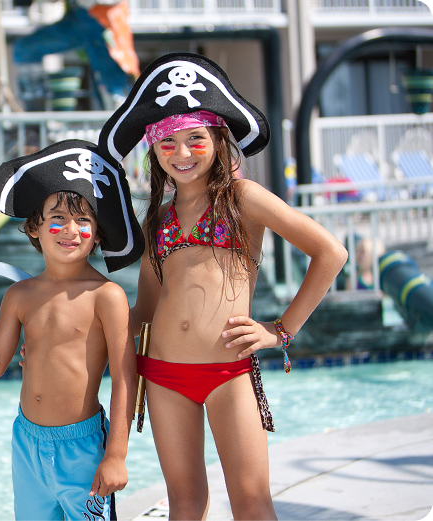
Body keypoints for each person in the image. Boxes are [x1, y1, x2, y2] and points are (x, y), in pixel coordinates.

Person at [98, 53, 349, 520]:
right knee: (186, 503)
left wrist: (281, 330)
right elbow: (146, 310)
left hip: (228, 373)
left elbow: (331, 253)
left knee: (252, 503)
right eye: (167, 143)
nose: (182, 153)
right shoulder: (158, 219)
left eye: (195, 139)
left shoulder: (243, 199)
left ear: (218, 139)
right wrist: (78, 335)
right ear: (152, 150)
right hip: (164, 376)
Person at [0, 140, 143, 520]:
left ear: (97, 233)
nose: (71, 229)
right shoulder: (19, 296)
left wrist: (116, 454)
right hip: (26, 442)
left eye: (84, 221)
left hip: (83, 448)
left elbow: (126, 377)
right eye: (58, 218)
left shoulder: (106, 296)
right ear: (35, 226)